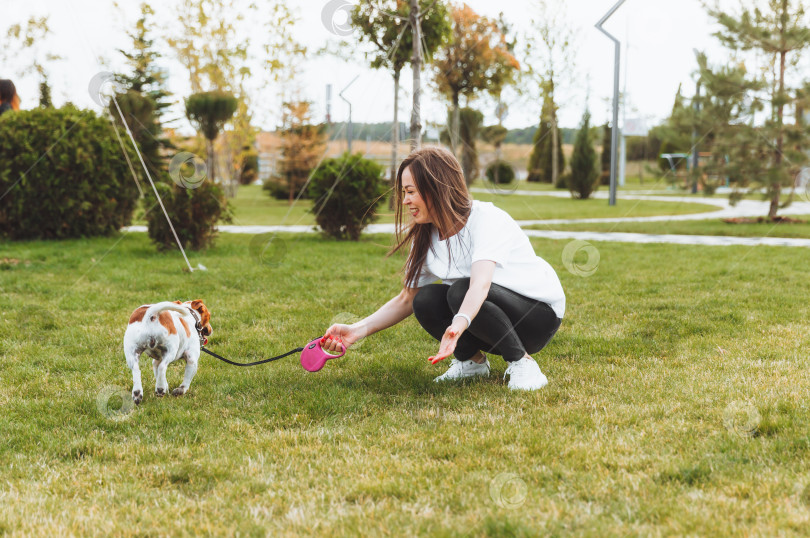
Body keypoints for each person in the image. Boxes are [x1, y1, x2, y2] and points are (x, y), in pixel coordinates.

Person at [321, 146, 565, 390]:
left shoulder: (487, 219)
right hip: (487, 316)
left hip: (537, 317)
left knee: (459, 291)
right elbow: (406, 299)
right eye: (403, 192)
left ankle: (523, 363)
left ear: (436, 189)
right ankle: (472, 363)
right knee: (424, 299)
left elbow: (480, 285)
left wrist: (456, 327)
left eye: (410, 192)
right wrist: (356, 330)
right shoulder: (425, 236)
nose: (404, 200)